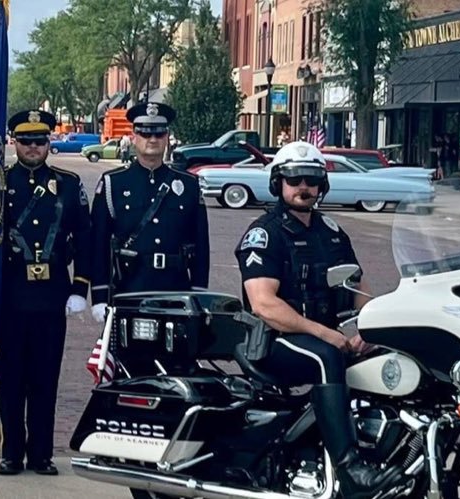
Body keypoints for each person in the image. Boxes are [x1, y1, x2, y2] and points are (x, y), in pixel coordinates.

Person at [234, 141, 399, 497]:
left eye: (311, 179)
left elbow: (358, 285)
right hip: (272, 341)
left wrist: (369, 327)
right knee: (327, 359)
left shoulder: (331, 232)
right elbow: (263, 304)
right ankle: (351, 471)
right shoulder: (265, 234)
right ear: (278, 183)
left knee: (393, 354)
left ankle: (393, 450)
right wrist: (325, 334)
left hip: (323, 335)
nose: (303, 187)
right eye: (294, 180)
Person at [0, 109, 91, 476]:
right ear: (14, 142)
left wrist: (80, 286)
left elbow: (83, 236)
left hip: (52, 293)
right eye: (25, 140)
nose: (33, 147)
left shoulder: (67, 183)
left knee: (45, 378)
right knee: (11, 379)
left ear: (50, 142)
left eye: (40, 140)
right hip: (11, 294)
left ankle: (41, 454)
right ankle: (11, 452)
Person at [87, 102, 210, 325]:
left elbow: (201, 244)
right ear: (133, 136)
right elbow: (99, 244)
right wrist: (99, 295)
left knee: (177, 359)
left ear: (167, 137)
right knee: (127, 358)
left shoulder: (188, 184)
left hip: (175, 290)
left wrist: (199, 293)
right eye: (144, 133)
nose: (152, 139)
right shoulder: (113, 182)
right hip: (129, 288)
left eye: (159, 133)